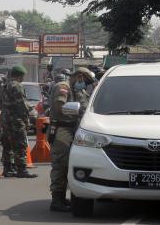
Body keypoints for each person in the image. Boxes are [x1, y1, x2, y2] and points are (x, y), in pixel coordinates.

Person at [48, 67, 94, 212]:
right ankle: (56, 200)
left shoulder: (76, 90)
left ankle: (61, 198)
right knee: (60, 164)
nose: (84, 85)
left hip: (72, 129)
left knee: (69, 164)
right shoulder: (63, 87)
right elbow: (60, 106)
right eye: (84, 81)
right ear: (79, 76)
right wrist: (77, 110)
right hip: (62, 129)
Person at [0, 65, 38, 178]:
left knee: (7, 145)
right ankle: (21, 170)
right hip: (16, 120)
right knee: (20, 145)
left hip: (5, 120)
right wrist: (27, 118)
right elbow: (21, 104)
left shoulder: (4, 86)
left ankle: (8, 169)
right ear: (19, 76)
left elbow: (0, 103)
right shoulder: (17, 86)